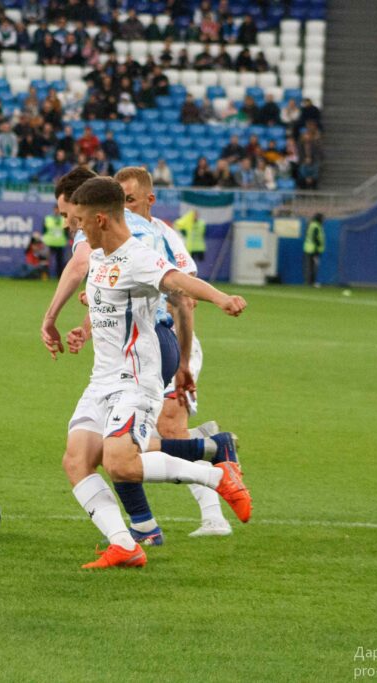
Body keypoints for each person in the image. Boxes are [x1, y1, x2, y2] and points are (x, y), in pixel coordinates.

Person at [55, 176, 251, 568]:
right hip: (101, 380)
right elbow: (107, 302)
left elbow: (177, 282)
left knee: (121, 463)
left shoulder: (137, 257)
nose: (76, 229)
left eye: (81, 221)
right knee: (76, 460)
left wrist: (221, 298)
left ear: (101, 220)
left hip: (134, 379)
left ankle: (218, 477)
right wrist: (86, 322)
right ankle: (124, 544)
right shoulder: (99, 257)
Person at [115, 166, 233, 537]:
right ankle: (207, 444)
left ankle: (213, 516)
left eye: (130, 201)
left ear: (150, 200)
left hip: (169, 343)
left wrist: (184, 361)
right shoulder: (119, 240)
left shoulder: (164, 236)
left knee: (164, 428)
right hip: (136, 349)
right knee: (137, 439)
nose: (125, 209)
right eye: (119, 202)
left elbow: (185, 297)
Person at [42, 205, 68, 278]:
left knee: (60, 261)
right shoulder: (48, 218)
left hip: (60, 243)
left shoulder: (64, 219)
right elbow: (44, 230)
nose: (57, 211)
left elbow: (66, 232)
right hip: (49, 243)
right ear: (54, 210)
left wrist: (66, 239)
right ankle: (45, 275)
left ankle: (59, 276)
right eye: (56, 209)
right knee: (46, 261)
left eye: (58, 209)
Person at [303, 213, 325, 287]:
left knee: (310, 266)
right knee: (313, 266)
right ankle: (311, 282)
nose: (323, 220)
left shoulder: (312, 225)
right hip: (313, 249)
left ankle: (309, 282)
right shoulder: (316, 226)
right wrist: (317, 249)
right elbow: (315, 238)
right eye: (322, 218)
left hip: (309, 249)